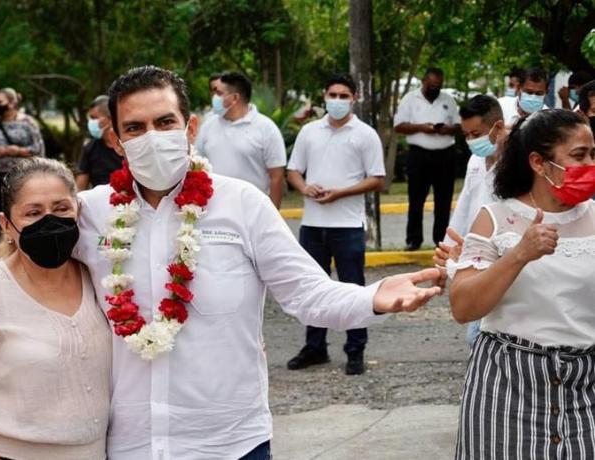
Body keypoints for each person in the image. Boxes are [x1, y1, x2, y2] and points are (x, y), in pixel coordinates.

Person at [0, 65, 444, 460]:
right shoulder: (89, 213)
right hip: (132, 445)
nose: (151, 135)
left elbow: (308, 294)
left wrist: (374, 297)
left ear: (190, 127)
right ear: (115, 140)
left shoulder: (241, 205)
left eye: (165, 122)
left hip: (231, 443)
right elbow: (23, 258)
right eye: (134, 127)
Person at [0, 158, 112, 459]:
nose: (50, 221)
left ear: (78, 210)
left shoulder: (99, 276)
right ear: (6, 225)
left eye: (61, 208)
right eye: (33, 213)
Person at [449, 109, 595, 459]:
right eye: (579, 155)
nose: (590, 165)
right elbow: (463, 307)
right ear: (538, 162)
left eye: (593, 155)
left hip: (585, 387)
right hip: (506, 388)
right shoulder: (495, 219)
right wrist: (519, 255)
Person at [284, 73, 386, 375]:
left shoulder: (365, 134)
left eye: (344, 96)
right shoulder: (309, 132)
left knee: (353, 288)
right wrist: (305, 188)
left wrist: (341, 192)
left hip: (348, 225)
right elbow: (293, 171)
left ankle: (356, 350)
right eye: (333, 95)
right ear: (324, 96)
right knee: (312, 286)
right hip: (313, 224)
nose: (338, 101)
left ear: (354, 98)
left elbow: (377, 179)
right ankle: (315, 347)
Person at [435, 95, 507, 346]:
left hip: (505, 260)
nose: (471, 141)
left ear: (498, 127)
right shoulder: (475, 161)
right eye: (466, 135)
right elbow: (464, 207)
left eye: (476, 134)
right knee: (477, 335)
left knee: (484, 335)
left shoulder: (518, 163)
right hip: (476, 258)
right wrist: (445, 255)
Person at [196, 71, 286, 208]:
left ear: (235, 98)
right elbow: (197, 166)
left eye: (219, 93)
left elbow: (277, 177)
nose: (214, 97)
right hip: (215, 208)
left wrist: (273, 213)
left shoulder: (266, 128)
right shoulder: (208, 125)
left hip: (253, 208)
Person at [394, 67, 461, 250]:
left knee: (443, 201)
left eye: (438, 86)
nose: (435, 90)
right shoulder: (410, 99)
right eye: (431, 86)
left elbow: (460, 126)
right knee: (416, 200)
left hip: (445, 155)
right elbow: (398, 126)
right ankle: (413, 239)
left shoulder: (448, 100)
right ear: (424, 82)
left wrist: (447, 129)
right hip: (419, 155)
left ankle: (440, 239)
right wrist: (421, 127)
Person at [0, 88, 45, 251]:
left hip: (21, 177)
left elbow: (38, 147)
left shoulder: (27, 122)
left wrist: (18, 151)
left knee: (22, 210)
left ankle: (23, 248)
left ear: (13, 103)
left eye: (1, 102)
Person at [76, 95, 124, 190]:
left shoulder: (127, 145)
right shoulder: (90, 148)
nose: (91, 122)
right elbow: (79, 188)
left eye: (94, 118)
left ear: (110, 118)